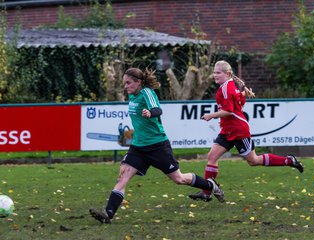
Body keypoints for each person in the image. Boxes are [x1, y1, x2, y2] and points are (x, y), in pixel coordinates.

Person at [89, 67, 225, 224]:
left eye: (128, 83)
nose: (125, 86)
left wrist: (150, 113)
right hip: (138, 147)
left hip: (157, 145)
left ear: (138, 82)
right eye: (124, 83)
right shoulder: (132, 96)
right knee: (122, 177)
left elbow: (157, 109)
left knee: (179, 179)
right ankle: (108, 214)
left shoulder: (146, 92)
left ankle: (211, 185)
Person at [189, 60, 304, 202]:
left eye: (218, 72)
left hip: (239, 131)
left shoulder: (226, 88)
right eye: (214, 72)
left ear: (228, 74)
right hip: (227, 130)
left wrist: (210, 116)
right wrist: (244, 94)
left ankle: (289, 160)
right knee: (212, 157)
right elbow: (237, 99)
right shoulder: (229, 85)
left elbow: (229, 111)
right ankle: (207, 193)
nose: (215, 75)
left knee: (253, 160)